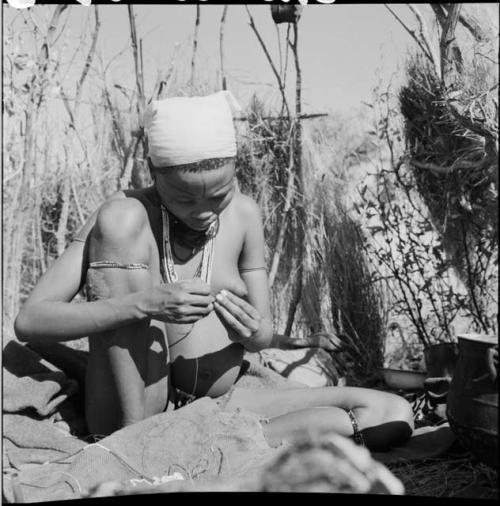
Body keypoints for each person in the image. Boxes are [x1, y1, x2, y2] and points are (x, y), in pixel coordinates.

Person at [15, 91, 414, 450]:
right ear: (153, 172)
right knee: (121, 219)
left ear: (235, 171)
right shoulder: (121, 215)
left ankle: (194, 447)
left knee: (391, 413)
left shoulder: (244, 215)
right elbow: (31, 321)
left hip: (225, 403)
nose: (204, 211)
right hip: (132, 415)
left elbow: (259, 338)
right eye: (185, 198)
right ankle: (139, 446)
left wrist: (253, 332)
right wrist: (141, 305)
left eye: (218, 194)